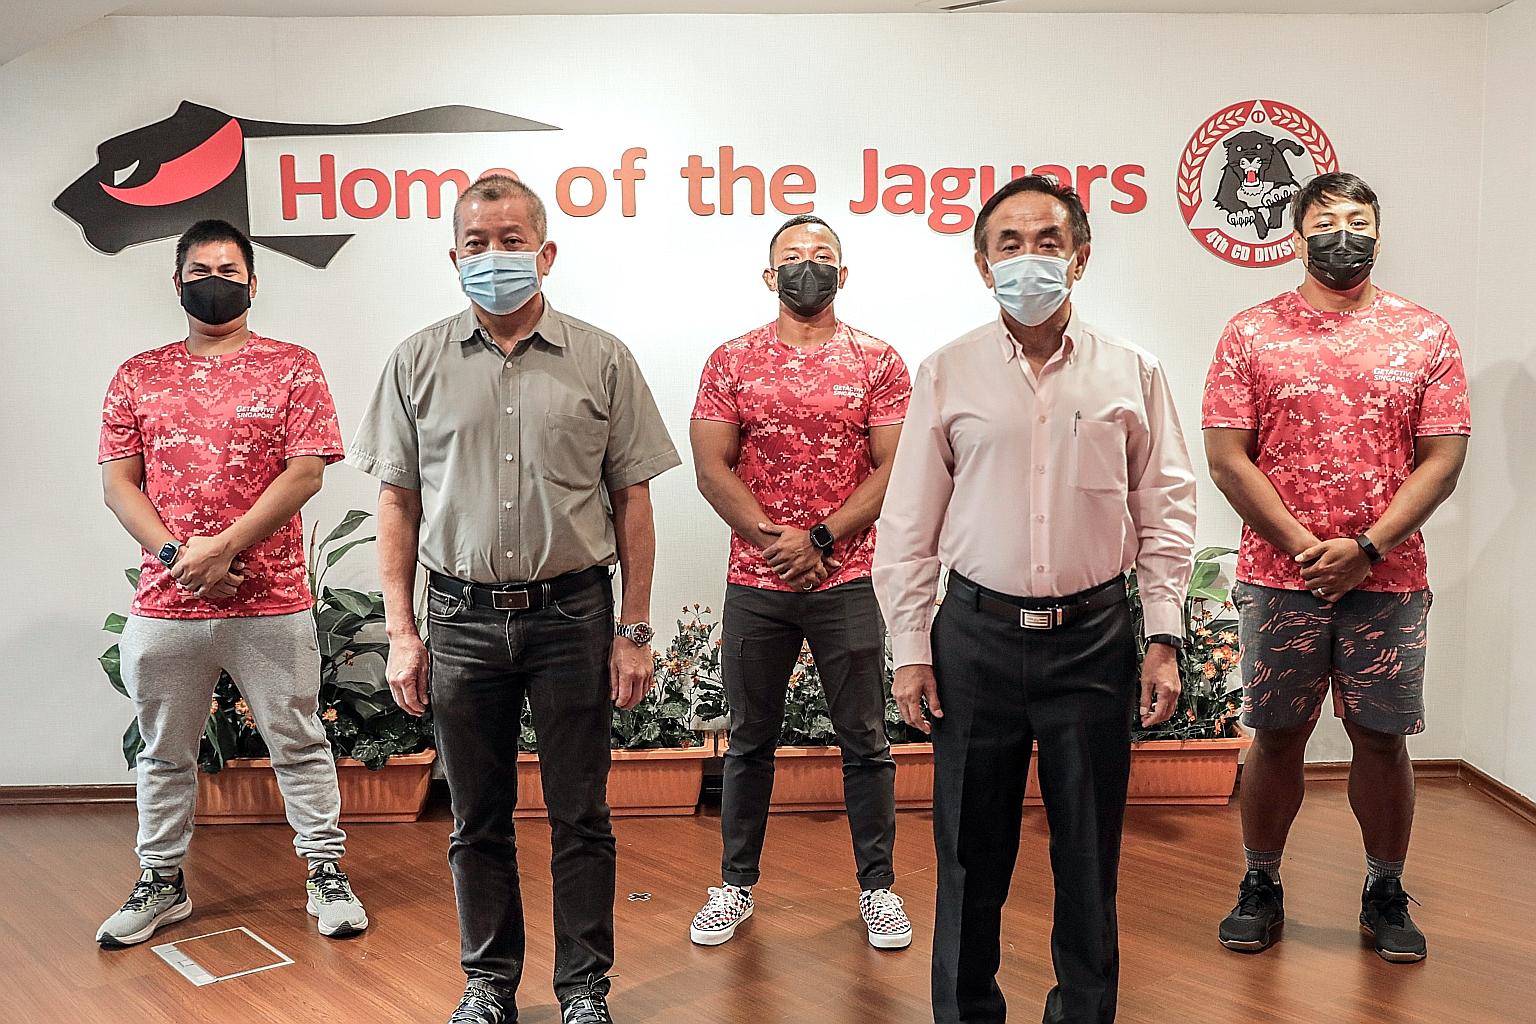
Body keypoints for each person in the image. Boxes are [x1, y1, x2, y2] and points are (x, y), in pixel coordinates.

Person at [350, 175, 680, 1024]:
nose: (493, 257)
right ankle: (490, 984)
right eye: (476, 242)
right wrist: (399, 631)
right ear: (453, 255)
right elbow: (397, 502)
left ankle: (583, 990)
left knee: (582, 813)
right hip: (457, 618)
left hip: (573, 614)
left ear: (546, 251)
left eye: (510, 240)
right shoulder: (416, 362)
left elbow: (632, 500)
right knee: (475, 817)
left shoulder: (602, 359)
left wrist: (635, 629)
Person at [874, 175, 1197, 1024]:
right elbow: (908, 522)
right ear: (983, 265)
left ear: (1080, 258)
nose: (1028, 260)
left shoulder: (1135, 372)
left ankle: (1084, 1013)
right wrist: (910, 647)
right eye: (1008, 245)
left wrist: (1163, 635)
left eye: (1047, 243)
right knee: (969, 857)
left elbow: (1166, 511)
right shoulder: (946, 373)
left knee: (1089, 858)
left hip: (1094, 641)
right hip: (974, 642)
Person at [1204, 171, 1470, 964]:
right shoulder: (1250, 332)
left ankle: (1385, 889)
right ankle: (1260, 883)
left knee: (1381, 740)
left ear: (1378, 235)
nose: (1342, 234)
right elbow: (1227, 456)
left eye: (1358, 221)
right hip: (1279, 577)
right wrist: (1303, 548)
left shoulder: (1426, 334)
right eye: (1326, 221)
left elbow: (1443, 459)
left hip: (1386, 580)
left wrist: (1368, 549)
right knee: (1277, 737)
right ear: (1298, 235)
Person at [97, 219, 366, 948]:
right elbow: (120, 485)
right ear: (177, 281)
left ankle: (324, 871)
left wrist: (222, 550)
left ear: (253, 281)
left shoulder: (293, 367)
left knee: (299, 741)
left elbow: (306, 471)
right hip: (166, 600)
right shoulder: (137, 375)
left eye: (228, 267)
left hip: (270, 597)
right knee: (163, 750)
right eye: (199, 268)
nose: (213, 279)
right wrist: (179, 556)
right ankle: (162, 881)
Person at [688, 215, 913, 950]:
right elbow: (711, 467)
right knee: (749, 739)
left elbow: (894, 467)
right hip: (756, 582)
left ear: (843, 276)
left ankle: (878, 890)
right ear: (767, 275)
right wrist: (777, 544)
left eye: (822, 258)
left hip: (847, 577)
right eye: (792, 258)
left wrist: (819, 539)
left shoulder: (879, 360)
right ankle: (733, 885)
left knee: (866, 742)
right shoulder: (730, 361)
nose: (806, 267)